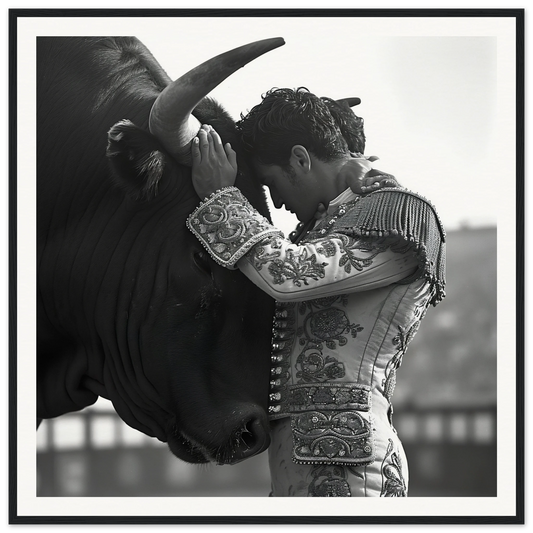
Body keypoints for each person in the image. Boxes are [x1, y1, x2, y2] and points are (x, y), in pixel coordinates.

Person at [186, 87, 446, 497]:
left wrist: (222, 198)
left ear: (301, 158)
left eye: (271, 182)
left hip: (353, 467)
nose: (276, 202)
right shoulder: (329, 224)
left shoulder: (400, 214)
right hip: (305, 463)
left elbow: (288, 274)